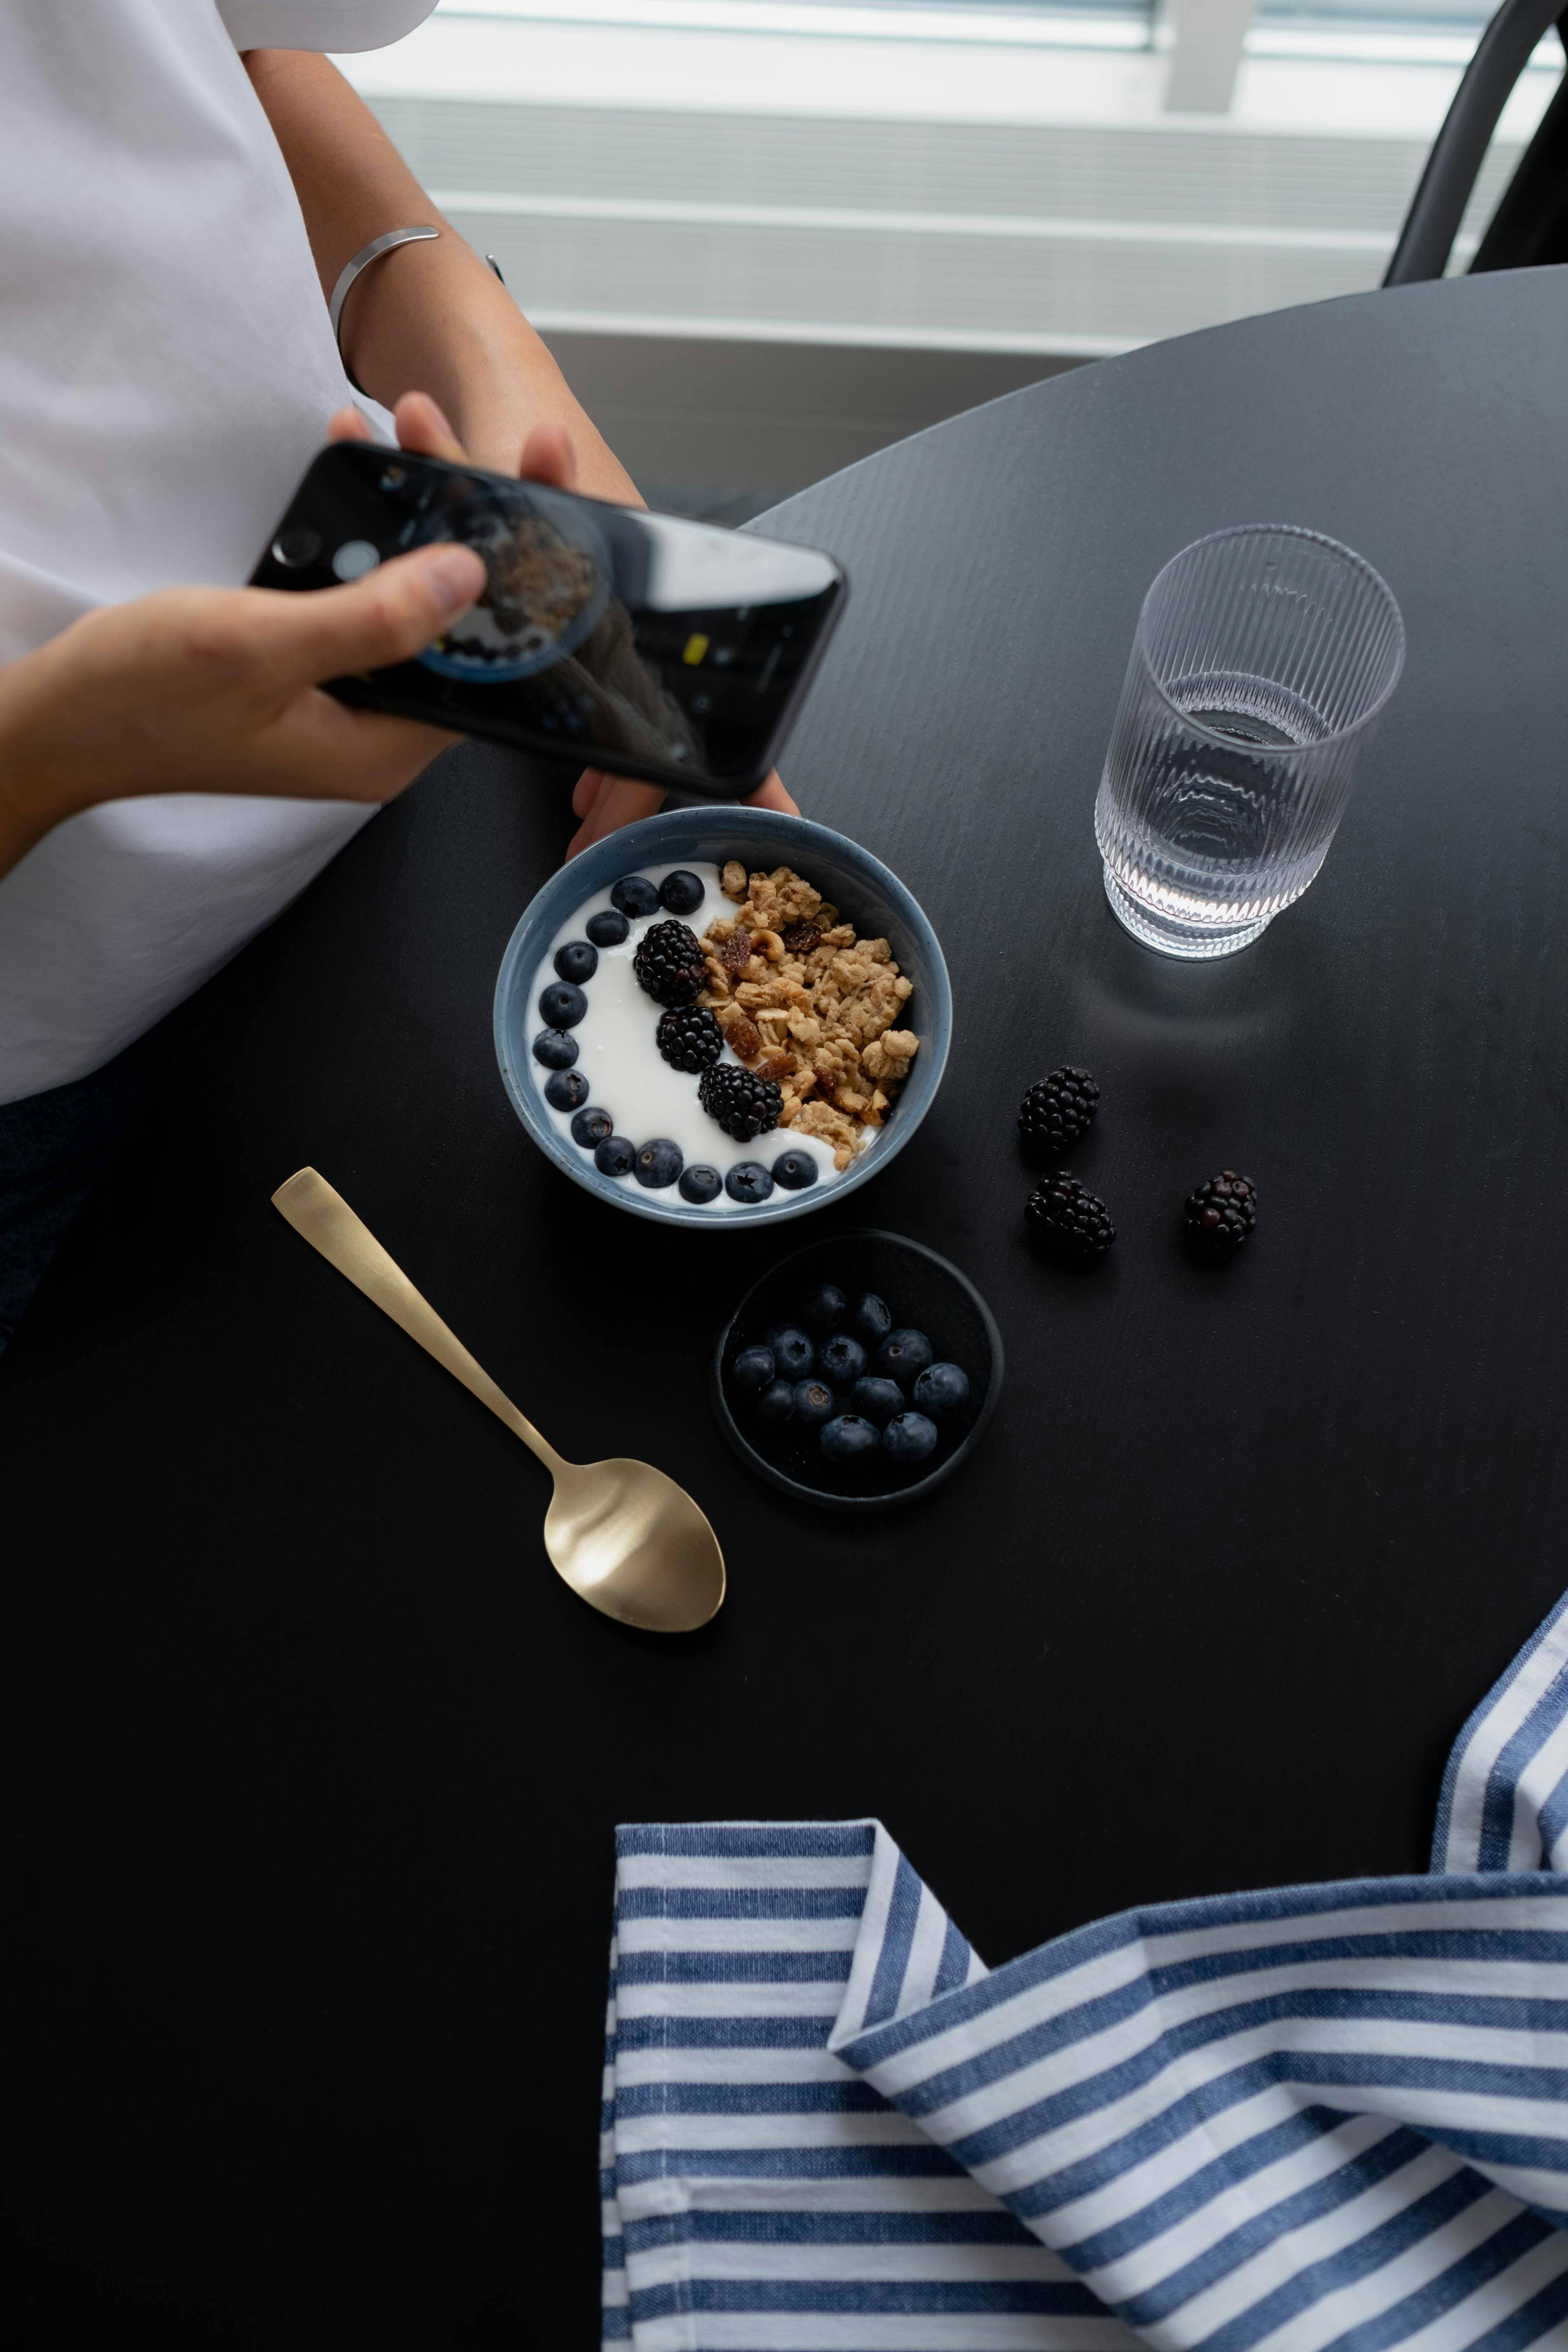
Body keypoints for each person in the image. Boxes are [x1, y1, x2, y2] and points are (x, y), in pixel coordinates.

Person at [0, 3, 793, 1348]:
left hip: (413, 693)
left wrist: (480, 361)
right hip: (67, 1076)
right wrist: (73, 744)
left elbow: (202, 52)